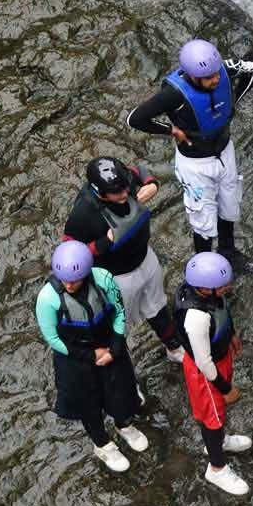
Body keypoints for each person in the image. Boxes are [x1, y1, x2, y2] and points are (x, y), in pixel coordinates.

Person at [125, 38, 253, 273]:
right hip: (195, 164)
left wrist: (233, 102)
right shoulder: (174, 94)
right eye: (208, 78)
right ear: (192, 75)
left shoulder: (223, 70)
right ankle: (205, 265)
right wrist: (171, 130)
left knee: (229, 204)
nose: (215, 79)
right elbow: (135, 118)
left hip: (224, 152)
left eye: (216, 74)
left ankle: (228, 252)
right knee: (203, 217)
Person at [34, 241, 148, 472]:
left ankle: (123, 423)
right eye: (64, 279)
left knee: (121, 389)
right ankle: (102, 444)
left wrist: (115, 347)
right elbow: (53, 338)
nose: (69, 284)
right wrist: (89, 355)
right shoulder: (48, 299)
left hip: (107, 343)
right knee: (88, 404)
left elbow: (119, 313)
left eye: (74, 280)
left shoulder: (104, 280)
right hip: (74, 357)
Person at [62, 156, 185, 366]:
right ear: (99, 192)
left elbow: (140, 169)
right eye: (117, 193)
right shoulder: (83, 213)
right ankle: (126, 377)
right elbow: (69, 253)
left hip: (145, 259)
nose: (125, 194)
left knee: (157, 308)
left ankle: (174, 348)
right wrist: (103, 243)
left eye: (125, 189)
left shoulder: (123, 179)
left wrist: (152, 184)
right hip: (116, 278)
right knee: (118, 329)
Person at [174, 251, 252, 496]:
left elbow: (223, 310)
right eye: (223, 285)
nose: (228, 287)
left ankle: (217, 442)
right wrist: (227, 390)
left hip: (220, 357)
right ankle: (217, 467)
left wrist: (231, 334)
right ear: (204, 289)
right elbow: (204, 363)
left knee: (217, 416)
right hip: (206, 373)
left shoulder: (209, 293)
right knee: (212, 418)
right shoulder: (195, 317)